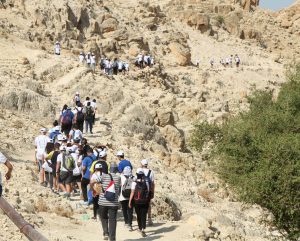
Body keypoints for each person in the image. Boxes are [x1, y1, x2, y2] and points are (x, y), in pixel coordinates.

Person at [98, 162, 121, 241]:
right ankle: (112, 239)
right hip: (113, 203)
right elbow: (118, 189)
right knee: (113, 221)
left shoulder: (104, 176)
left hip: (102, 202)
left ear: (109, 169)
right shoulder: (118, 178)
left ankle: (106, 233)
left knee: (103, 217)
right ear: (116, 170)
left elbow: (94, 180)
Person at [129, 168, 151, 237]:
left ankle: (140, 227)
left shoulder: (134, 183)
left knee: (138, 215)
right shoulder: (146, 182)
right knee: (143, 215)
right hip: (144, 201)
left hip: (136, 202)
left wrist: (129, 201)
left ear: (137, 175)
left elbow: (132, 193)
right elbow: (148, 191)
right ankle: (143, 229)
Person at [140, 159, 155, 226]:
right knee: (148, 205)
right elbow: (152, 183)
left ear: (142, 164)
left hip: (140, 191)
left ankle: (141, 219)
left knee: (140, 205)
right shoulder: (151, 172)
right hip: (148, 191)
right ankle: (149, 219)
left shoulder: (139, 170)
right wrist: (153, 192)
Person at [119, 166, 134, 231]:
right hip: (131, 196)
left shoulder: (121, 177)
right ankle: (130, 225)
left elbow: (119, 185)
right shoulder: (133, 177)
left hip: (123, 196)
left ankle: (126, 222)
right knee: (130, 211)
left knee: (124, 209)